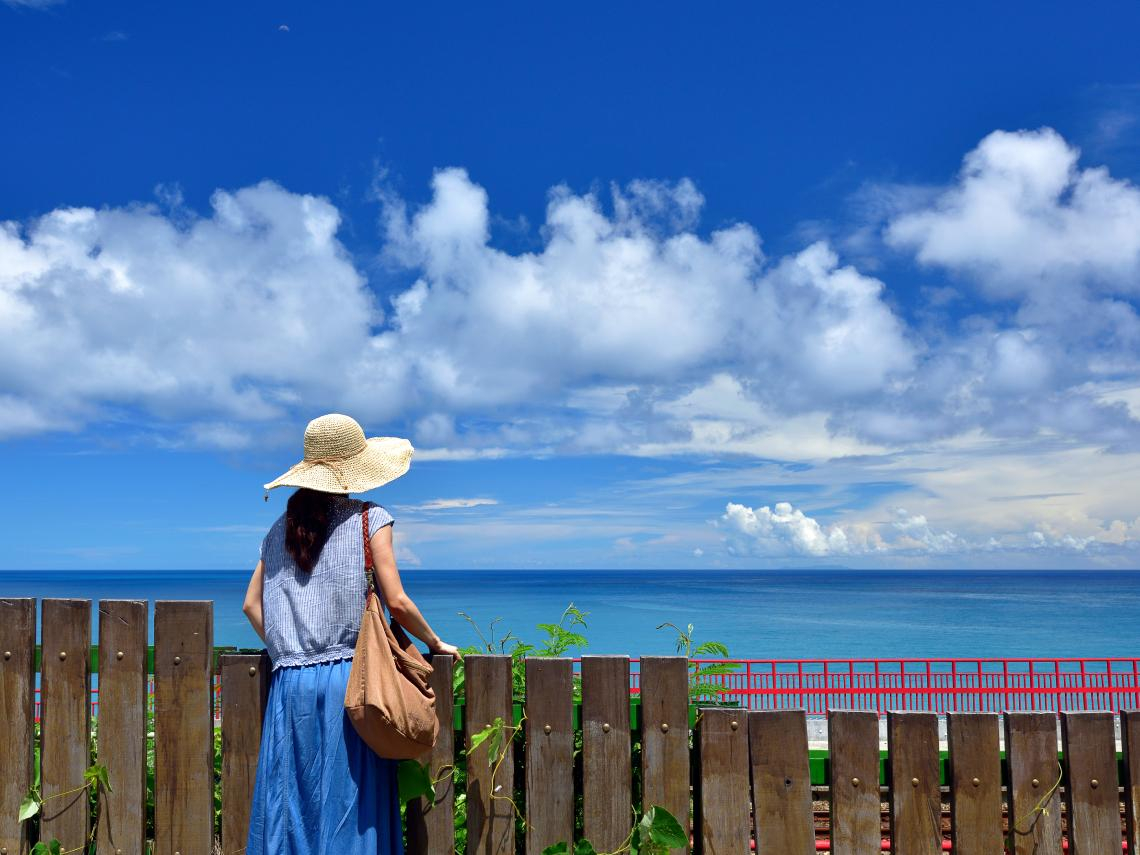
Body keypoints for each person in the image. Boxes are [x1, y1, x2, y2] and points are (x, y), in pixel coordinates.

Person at [242, 413, 460, 855]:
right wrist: (435, 643)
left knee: (292, 812)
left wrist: (289, 649)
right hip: (351, 682)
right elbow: (396, 601)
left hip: (289, 687)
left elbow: (251, 605)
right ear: (352, 471)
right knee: (350, 810)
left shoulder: (277, 531)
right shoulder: (369, 519)